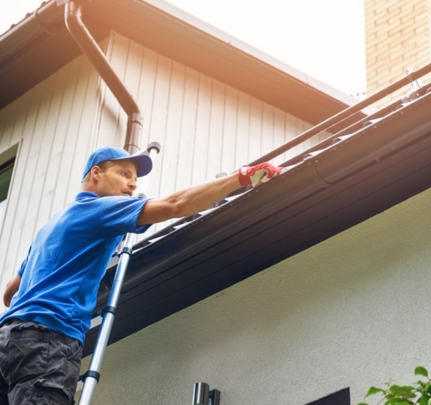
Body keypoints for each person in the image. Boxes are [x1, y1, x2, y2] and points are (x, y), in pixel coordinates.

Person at [0, 146, 281, 404]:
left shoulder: (49, 229)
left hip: (7, 339)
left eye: (135, 178)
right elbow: (176, 204)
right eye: (124, 174)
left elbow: (10, 293)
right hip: (48, 339)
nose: (133, 184)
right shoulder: (100, 209)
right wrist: (241, 177)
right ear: (96, 174)